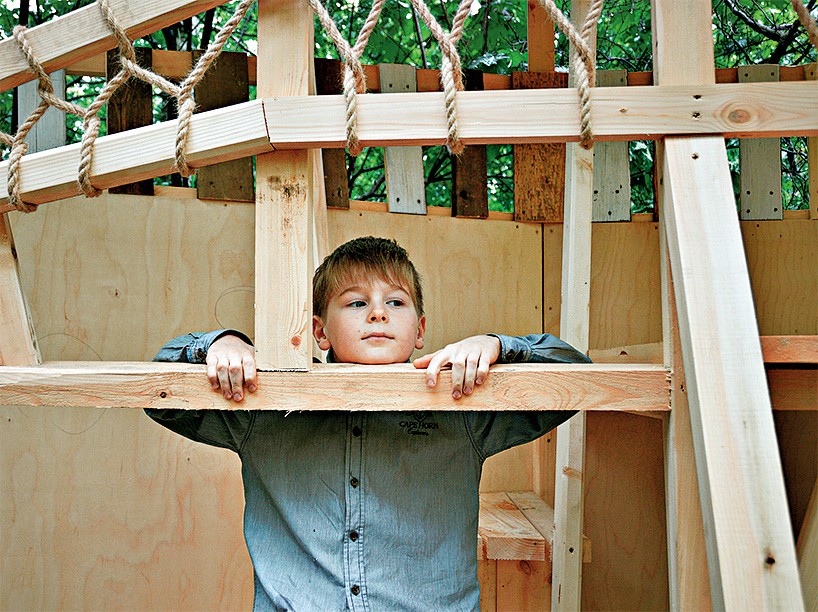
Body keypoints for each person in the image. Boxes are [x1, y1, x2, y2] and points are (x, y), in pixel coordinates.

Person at [147, 236, 590, 611]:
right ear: (320, 332)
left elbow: (579, 378)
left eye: (395, 302)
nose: (378, 313)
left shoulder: (461, 406)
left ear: (420, 329)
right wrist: (220, 344)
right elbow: (158, 397)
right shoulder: (265, 406)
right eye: (357, 302)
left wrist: (497, 345)